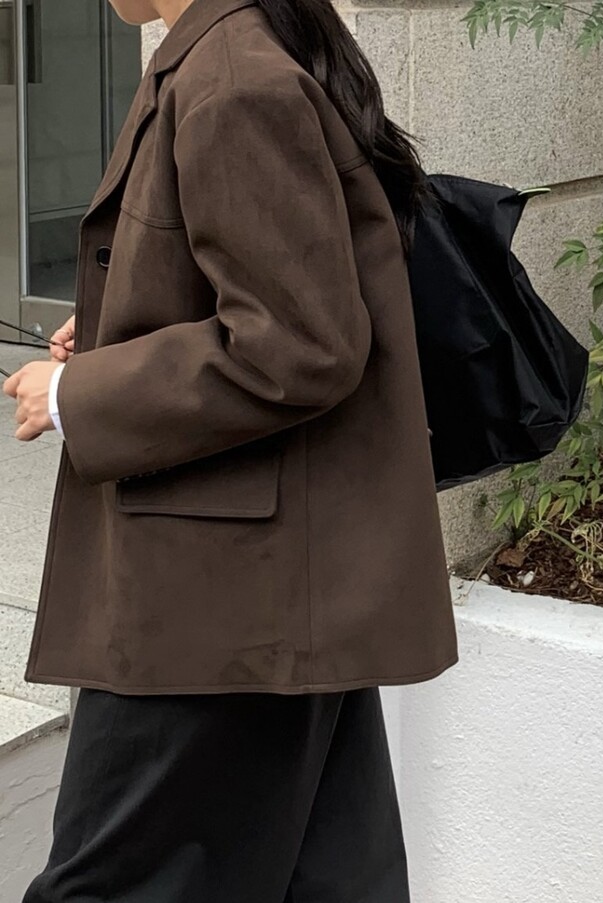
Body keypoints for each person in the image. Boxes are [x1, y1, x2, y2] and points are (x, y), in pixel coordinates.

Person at [2, 0, 458, 898]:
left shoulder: (232, 79)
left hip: (213, 608)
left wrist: (75, 394)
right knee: (323, 881)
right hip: (263, 592)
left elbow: (300, 341)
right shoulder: (236, 52)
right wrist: (118, 333)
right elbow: (262, 291)